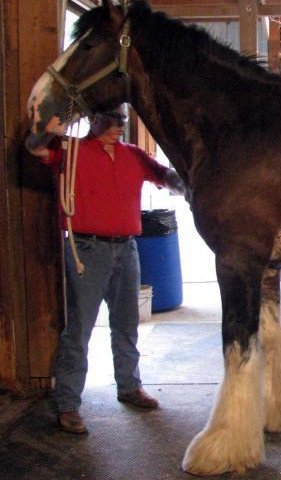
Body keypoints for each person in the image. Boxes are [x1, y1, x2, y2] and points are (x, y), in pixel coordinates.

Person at [29, 105, 186, 434]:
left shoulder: (133, 155)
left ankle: (129, 386)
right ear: (94, 120)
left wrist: (191, 178)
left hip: (127, 249)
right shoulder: (70, 152)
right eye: (112, 121)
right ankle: (68, 403)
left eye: (123, 122)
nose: (119, 127)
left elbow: (167, 178)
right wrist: (59, 121)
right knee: (80, 329)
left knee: (127, 324)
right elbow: (33, 145)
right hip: (87, 249)